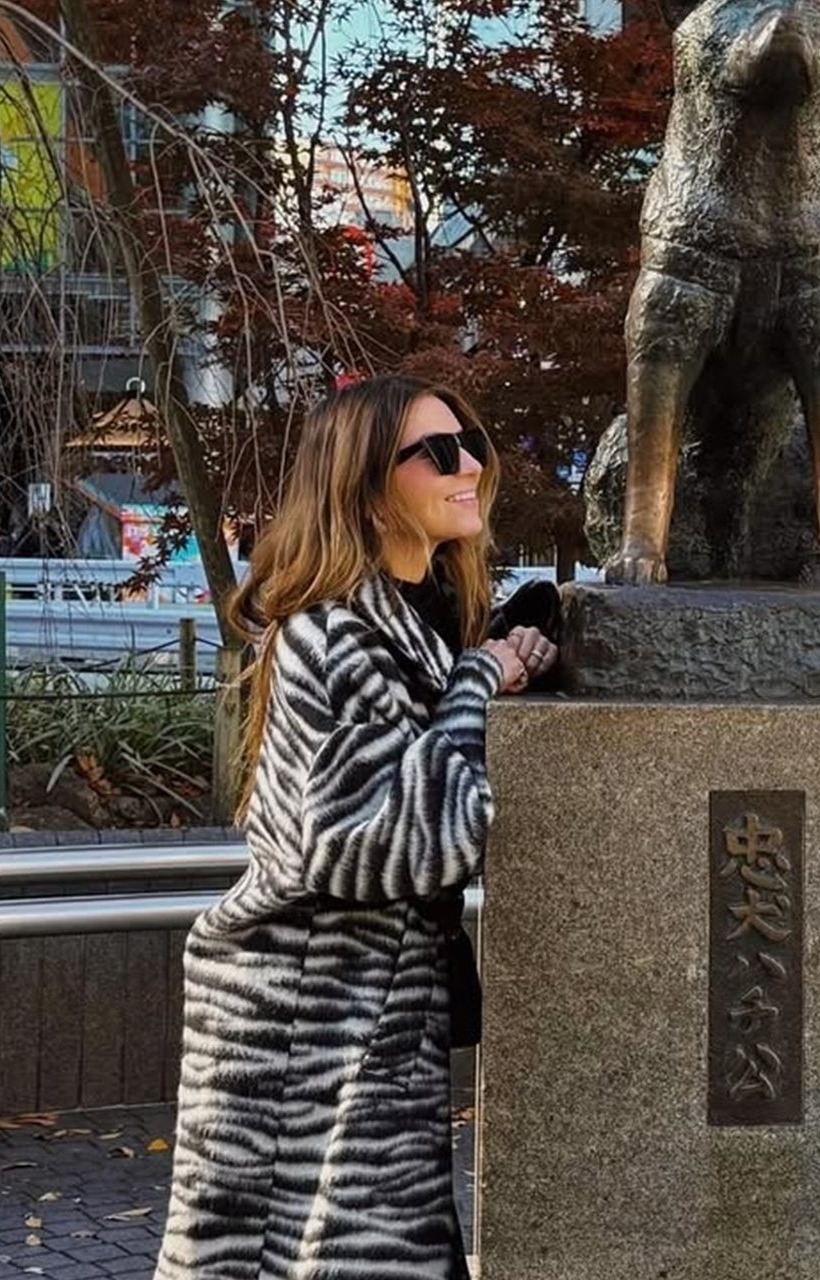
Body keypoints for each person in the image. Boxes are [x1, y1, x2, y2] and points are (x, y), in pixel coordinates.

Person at [154, 375, 556, 1280]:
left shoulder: (418, 621)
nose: (470, 467)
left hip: (370, 1024)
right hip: (303, 1026)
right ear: (368, 486)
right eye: (437, 453)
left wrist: (497, 656)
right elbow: (372, 842)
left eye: (472, 443)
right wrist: (476, 684)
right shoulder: (330, 635)